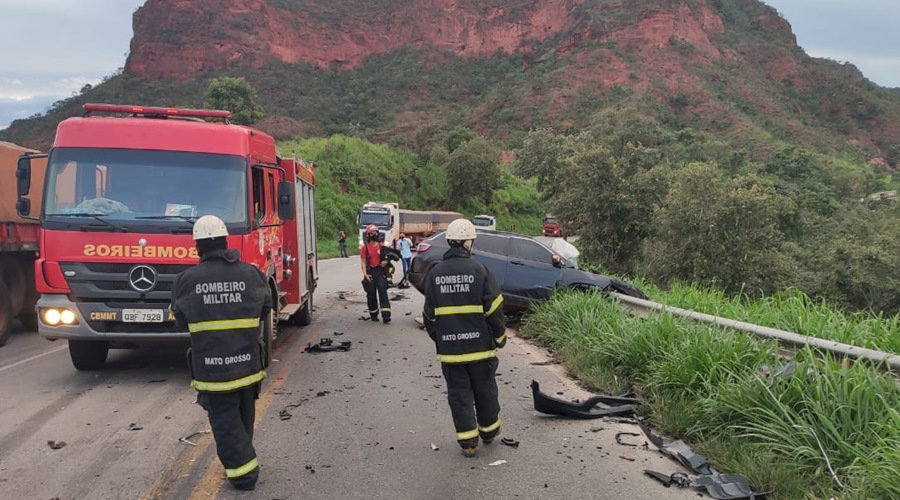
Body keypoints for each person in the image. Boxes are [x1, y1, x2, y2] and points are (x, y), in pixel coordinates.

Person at [170, 215, 272, 491]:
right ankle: (242, 462)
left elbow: (178, 318)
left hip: (214, 370)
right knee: (242, 416)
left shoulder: (187, 280)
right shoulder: (251, 273)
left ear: (198, 247)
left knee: (226, 421)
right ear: (226, 242)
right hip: (249, 365)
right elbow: (266, 308)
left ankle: (243, 474)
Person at [422, 218, 506, 458]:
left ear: (450, 241)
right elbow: (494, 310)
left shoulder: (435, 274)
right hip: (480, 349)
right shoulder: (480, 271)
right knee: (485, 390)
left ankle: (468, 443)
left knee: (459, 395)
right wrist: (499, 337)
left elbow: (429, 316)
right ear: (468, 243)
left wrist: (442, 339)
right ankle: (489, 432)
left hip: (451, 352)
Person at [360, 224, 392, 323]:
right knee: (371, 295)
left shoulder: (382, 246)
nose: (375, 234)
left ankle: (386, 315)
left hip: (380, 272)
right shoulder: (365, 248)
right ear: (368, 235)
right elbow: (363, 263)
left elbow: (389, 257)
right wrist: (365, 275)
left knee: (383, 292)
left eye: (376, 232)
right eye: (372, 233)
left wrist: (386, 262)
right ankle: (373, 314)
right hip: (370, 273)